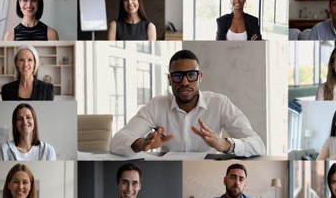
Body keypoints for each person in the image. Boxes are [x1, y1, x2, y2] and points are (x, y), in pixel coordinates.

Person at [108, 49, 265, 158]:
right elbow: (116, 142)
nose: (184, 82)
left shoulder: (219, 103)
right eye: (177, 76)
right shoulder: (156, 106)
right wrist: (141, 144)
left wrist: (225, 145)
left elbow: (258, 145)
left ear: (200, 77)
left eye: (191, 75)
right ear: (169, 80)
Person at [93, 163, 158, 198]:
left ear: (139, 186)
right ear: (118, 184)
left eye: (134, 183)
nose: (129, 189)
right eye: (125, 182)